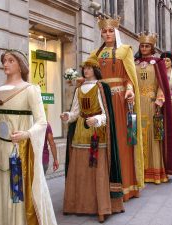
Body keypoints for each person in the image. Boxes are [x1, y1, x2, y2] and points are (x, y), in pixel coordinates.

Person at [0, 49, 57, 225]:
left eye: (11, 60)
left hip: (18, 153)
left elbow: (41, 122)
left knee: (17, 194)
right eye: (4, 61)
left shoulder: (30, 90)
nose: (6, 64)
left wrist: (27, 133)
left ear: (20, 65)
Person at [87, 16, 144, 201]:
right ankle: (104, 186)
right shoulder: (95, 53)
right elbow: (89, 74)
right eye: (104, 31)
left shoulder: (125, 50)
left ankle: (127, 186)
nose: (107, 34)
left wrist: (130, 90)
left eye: (111, 30)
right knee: (103, 142)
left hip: (120, 101)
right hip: (101, 99)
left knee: (122, 141)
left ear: (116, 32)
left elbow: (130, 77)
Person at [61, 58, 123, 222]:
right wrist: (67, 116)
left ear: (95, 70)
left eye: (89, 69)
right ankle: (76, 204)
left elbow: (106, 113)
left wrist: (96, 120)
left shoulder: (102, 87)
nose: (86, 71)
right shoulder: (79, 88)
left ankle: (100, 207)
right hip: (81, 131)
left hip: (97, 132)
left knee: (96, 168)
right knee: (80, 168)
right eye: (84, 69)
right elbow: (75, 112)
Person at [134, 32, 172, 184]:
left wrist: (159, 101)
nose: (144, 48)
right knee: (137, 134)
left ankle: (155, 171)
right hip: (137, 104)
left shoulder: (158, 63)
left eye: (147, 46)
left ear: (152, 47)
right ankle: (140, 170)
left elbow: (162, 85)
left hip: (152, 104)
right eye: (142, 46)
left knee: (153, 136)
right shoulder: (134, 63)